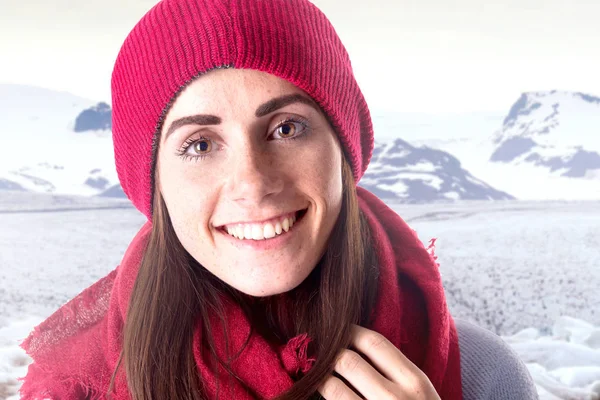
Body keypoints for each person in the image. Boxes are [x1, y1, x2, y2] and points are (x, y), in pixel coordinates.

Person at [18, 0, 538, 399]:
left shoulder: (482, 373)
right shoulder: (74, 387)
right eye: (199, 145)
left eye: (287, 128)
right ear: (154, 185)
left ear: (344, 149)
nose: (253, 182)